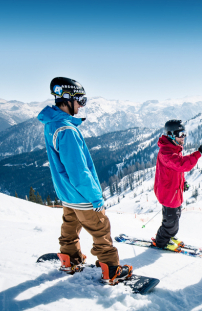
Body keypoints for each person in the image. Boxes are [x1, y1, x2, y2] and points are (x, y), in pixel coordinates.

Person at [38, 77, 132, 285]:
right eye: (80, 100)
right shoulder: (67, 130)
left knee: (70, 228)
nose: (81, 105)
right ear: (68, 99)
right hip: (81, 194)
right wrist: (95, 197)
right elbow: (79, 172)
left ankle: (69, 259)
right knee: (101, 229)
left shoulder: (52, 123)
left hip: (67, 193)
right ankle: (112, 270)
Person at [152, 119, 202, 251]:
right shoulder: (166, 152)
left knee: (175, 216)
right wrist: (199, 153)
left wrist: (183, 182)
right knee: (171, 220)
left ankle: (169, 236)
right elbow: (182, 164)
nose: (184, 138)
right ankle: (162, 241)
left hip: (173, 190)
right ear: (170, 135)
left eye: (184, 133)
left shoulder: (173, 148)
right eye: (181, 134)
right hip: (169, 192)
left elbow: (177, 170)